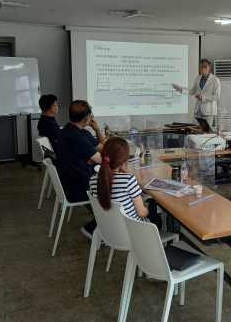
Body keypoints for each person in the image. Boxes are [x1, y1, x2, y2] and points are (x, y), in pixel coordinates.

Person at [56, 100, 106, 239]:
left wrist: (88, 158)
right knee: (113, 191)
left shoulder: (64, 131)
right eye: (90, 116)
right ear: (86, 120)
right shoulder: (79, 137)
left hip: (68, 181)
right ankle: (93, 228)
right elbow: (101, 159)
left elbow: (94, 157)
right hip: (77, 187)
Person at [89, 137, 162, 229]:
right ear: (125, 161)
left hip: (108, 229)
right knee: (153, 206)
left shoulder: (92, 180)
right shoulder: (128, 180)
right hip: (134, 230)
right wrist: (148, 208)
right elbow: (142, 213)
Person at [172, 59, 221, 126]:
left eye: (205, 66)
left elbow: (217, 96)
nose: (203, 68)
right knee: (194, 131)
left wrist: (202, 97)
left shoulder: (215, 80)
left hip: (208, 112)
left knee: (205, 134)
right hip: (197, 111)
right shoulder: (197, 78)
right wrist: (181, 90)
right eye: (201, 67)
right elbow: (193, 91)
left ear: (209, 67)